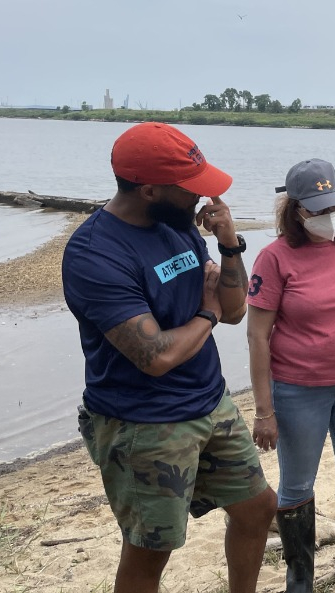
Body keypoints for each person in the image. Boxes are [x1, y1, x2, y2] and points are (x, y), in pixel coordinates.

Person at [62, 122, 276, 593]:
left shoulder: (178, 229)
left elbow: (237, 311)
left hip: (209, 402)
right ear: (149, 189)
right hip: (144, 424)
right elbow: (156, 357)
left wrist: (228, 243)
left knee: (258, 508)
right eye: (191, 190)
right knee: (149, 550)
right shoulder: (95, 254)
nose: (202, 200)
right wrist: (207, 312)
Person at [246, 159, 335, 593]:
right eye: (317, 210)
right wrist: (263, 410)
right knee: (296, 484)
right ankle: (299, 579)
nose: (330, 217)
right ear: (296, 210)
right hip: (297, 390)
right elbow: (257, 337)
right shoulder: (274, 258)